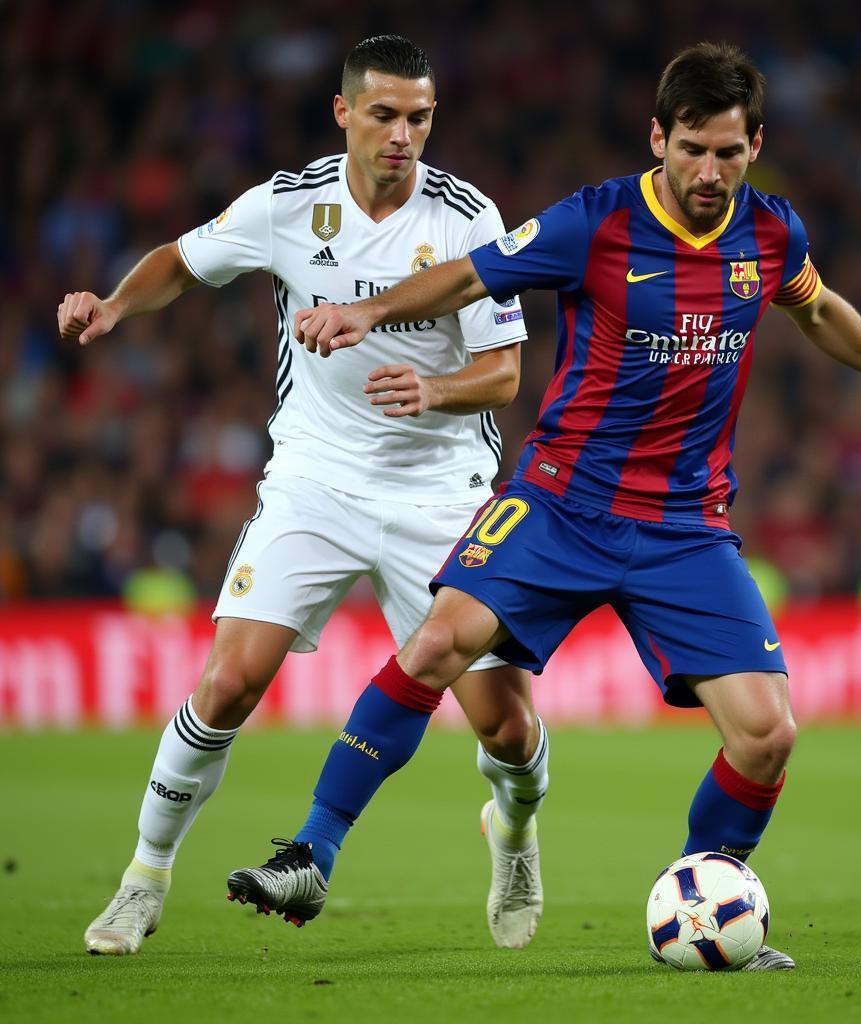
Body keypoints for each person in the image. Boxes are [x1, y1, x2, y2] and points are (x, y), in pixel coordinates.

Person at [232, 40, 861, 970]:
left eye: (730, 153)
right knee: (435, 642)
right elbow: (473, 273)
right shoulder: (596, 222)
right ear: (658, 137)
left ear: (757, 146)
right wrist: (369, 312)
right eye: (693, 149)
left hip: (685, 528)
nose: (709, 173)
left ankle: (707, 900)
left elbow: (818, 308)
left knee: (767, 734)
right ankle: (314, 849)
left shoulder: (772, 233)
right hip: (560, 503)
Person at [59, 35, 550, 957]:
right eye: (385, 115)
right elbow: (182, 256)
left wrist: (433, 390)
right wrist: (118, 306)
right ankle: (143, 877)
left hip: (442, 490)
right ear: (345, 113)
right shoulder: (289, 206)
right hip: (317, 478)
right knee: (228, 682)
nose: (404, 135)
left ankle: (514, 833)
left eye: (420, 117)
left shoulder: (469, 219)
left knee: (509, 726)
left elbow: (503, 374)